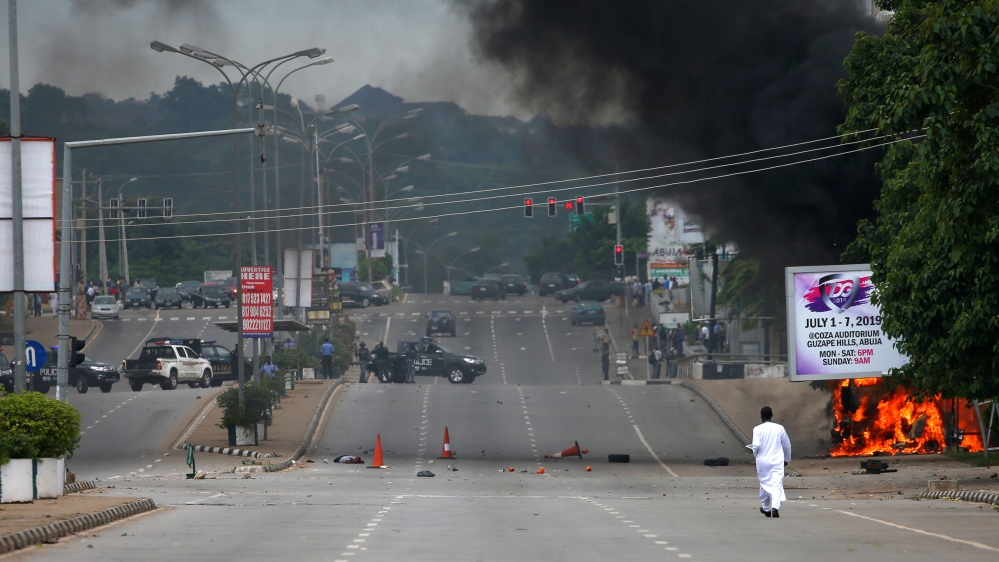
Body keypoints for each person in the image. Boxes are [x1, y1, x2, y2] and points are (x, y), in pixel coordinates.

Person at [749, 406, 792, 518]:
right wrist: (786, 459)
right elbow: (787, 445)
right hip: (777, 461)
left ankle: (766, 508)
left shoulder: (757, 429)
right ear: (772, 415)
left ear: (761, 416)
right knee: (776, 483)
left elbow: (756, 446)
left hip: (762, 461)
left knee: (764, 483)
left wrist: (756, 456)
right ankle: (775, 507)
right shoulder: (780, 428)